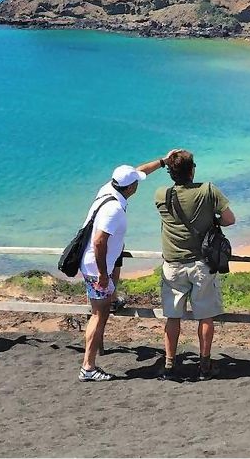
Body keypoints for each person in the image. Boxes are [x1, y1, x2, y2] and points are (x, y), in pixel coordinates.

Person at [77, 155, 172, 382]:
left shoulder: (109, 188)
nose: (138, 183)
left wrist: (163, 161)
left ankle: (114, 297)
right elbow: (99, 242)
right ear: (131, 187)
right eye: (136, 182)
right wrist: (102, 275)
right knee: (98, 316)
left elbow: (140, 171)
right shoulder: (114, 211)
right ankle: (88, 367)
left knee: (102, 309)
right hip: (95, 267)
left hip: (97, 263)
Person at [153, 149, 235, 381]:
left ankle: (169, 365)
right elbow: (230, 219)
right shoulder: (208, 190)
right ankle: (205, 365)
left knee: (172, 317)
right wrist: (212, 220)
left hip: (173, 264)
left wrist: (162, 161)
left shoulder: (161, 194)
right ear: (193, 170)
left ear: (170, 172)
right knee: (205, 316)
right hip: (201, 263)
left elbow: (136, 174)